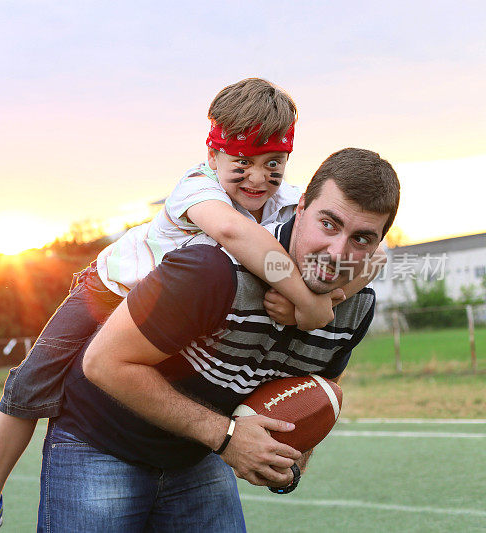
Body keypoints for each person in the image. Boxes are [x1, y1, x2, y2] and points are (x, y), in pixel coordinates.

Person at [0, 80, 373, 533]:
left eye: (273, 164)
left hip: (165, 318)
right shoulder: (197, 188)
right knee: (30, 388)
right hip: (110, 291)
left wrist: (333, 298)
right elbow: (235, 236)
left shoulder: (287, 200)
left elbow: (373, 259)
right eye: (242, 163)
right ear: (213, 157)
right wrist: (308, 301)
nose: (256, 178)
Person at [38, 147, 400, 531]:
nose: (337, 253)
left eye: (362, 239)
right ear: (302, 205)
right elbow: (103, 363)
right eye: (328, 224)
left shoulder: (355, 307)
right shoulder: (212, 268)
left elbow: (312, 393)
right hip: (102, 440)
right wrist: (227, 438)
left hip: (197, 451)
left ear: (378, 244)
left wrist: (288, 464)